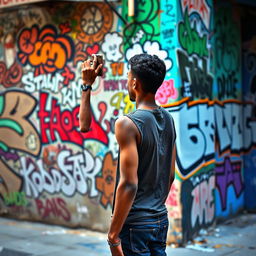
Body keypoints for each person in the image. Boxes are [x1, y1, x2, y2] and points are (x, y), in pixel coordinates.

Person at [79, 53, 176, 256]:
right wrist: (154, 208)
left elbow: (129, 184)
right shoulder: (168, 119)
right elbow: (170, 176)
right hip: (159, 219)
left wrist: (113, 235)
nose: (126, 82)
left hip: (135, 224)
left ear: (134, 83)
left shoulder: (127, 124)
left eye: (127, 77)